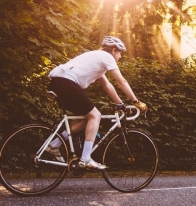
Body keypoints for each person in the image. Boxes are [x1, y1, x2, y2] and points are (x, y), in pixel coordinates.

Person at [46, 36, 147, 170]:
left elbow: (107, 85)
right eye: (120, 53)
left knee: (85, 119)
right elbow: (121, 81)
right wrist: (136, 101)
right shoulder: (107, 57)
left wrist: (120, 103)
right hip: (66, 82)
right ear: (114, 50)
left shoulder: (98, 58)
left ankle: (53, 145)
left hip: (58, 83)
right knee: (95, 116)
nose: (120, 57)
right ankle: (86, 159)